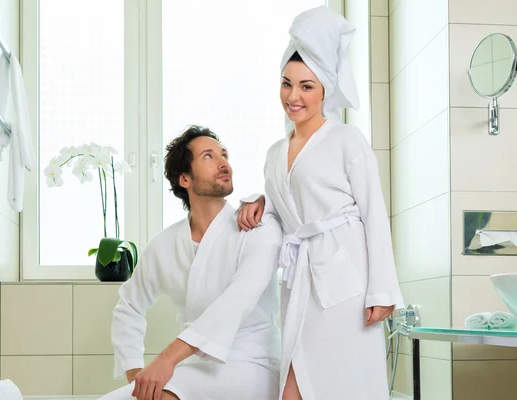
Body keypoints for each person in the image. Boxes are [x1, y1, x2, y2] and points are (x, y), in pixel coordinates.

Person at [238, 6, 404, 400]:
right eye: (286, 83)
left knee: (337, 383)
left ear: (326, 89)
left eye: (306, 86)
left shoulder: (347, 140)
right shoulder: (275, 153)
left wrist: (382, 290)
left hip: (346, 284)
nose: (293, 96)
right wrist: (259, 203)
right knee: (293, 385)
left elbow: (375, 215)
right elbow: (284, 216)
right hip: (300, 282)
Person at [102, 126, 283, 400]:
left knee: (163, 396)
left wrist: (166, 360)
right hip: (196, 368)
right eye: (208, 157)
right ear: (184, 179)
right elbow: (129, 306)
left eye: (224, 155)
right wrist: (133, 370)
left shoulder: (258, 227)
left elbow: (234, 303)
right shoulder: (164, 244)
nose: (224, 163)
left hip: (253, 363)